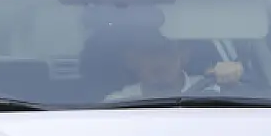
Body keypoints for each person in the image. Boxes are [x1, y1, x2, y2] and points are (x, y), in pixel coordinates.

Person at [102, 26, 245, 101]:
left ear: (184, 55)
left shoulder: (216, 90)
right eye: (150, 53)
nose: (159, 61)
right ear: (132, 61)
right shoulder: (118, 103)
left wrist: (235, 81)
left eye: (166, 51)